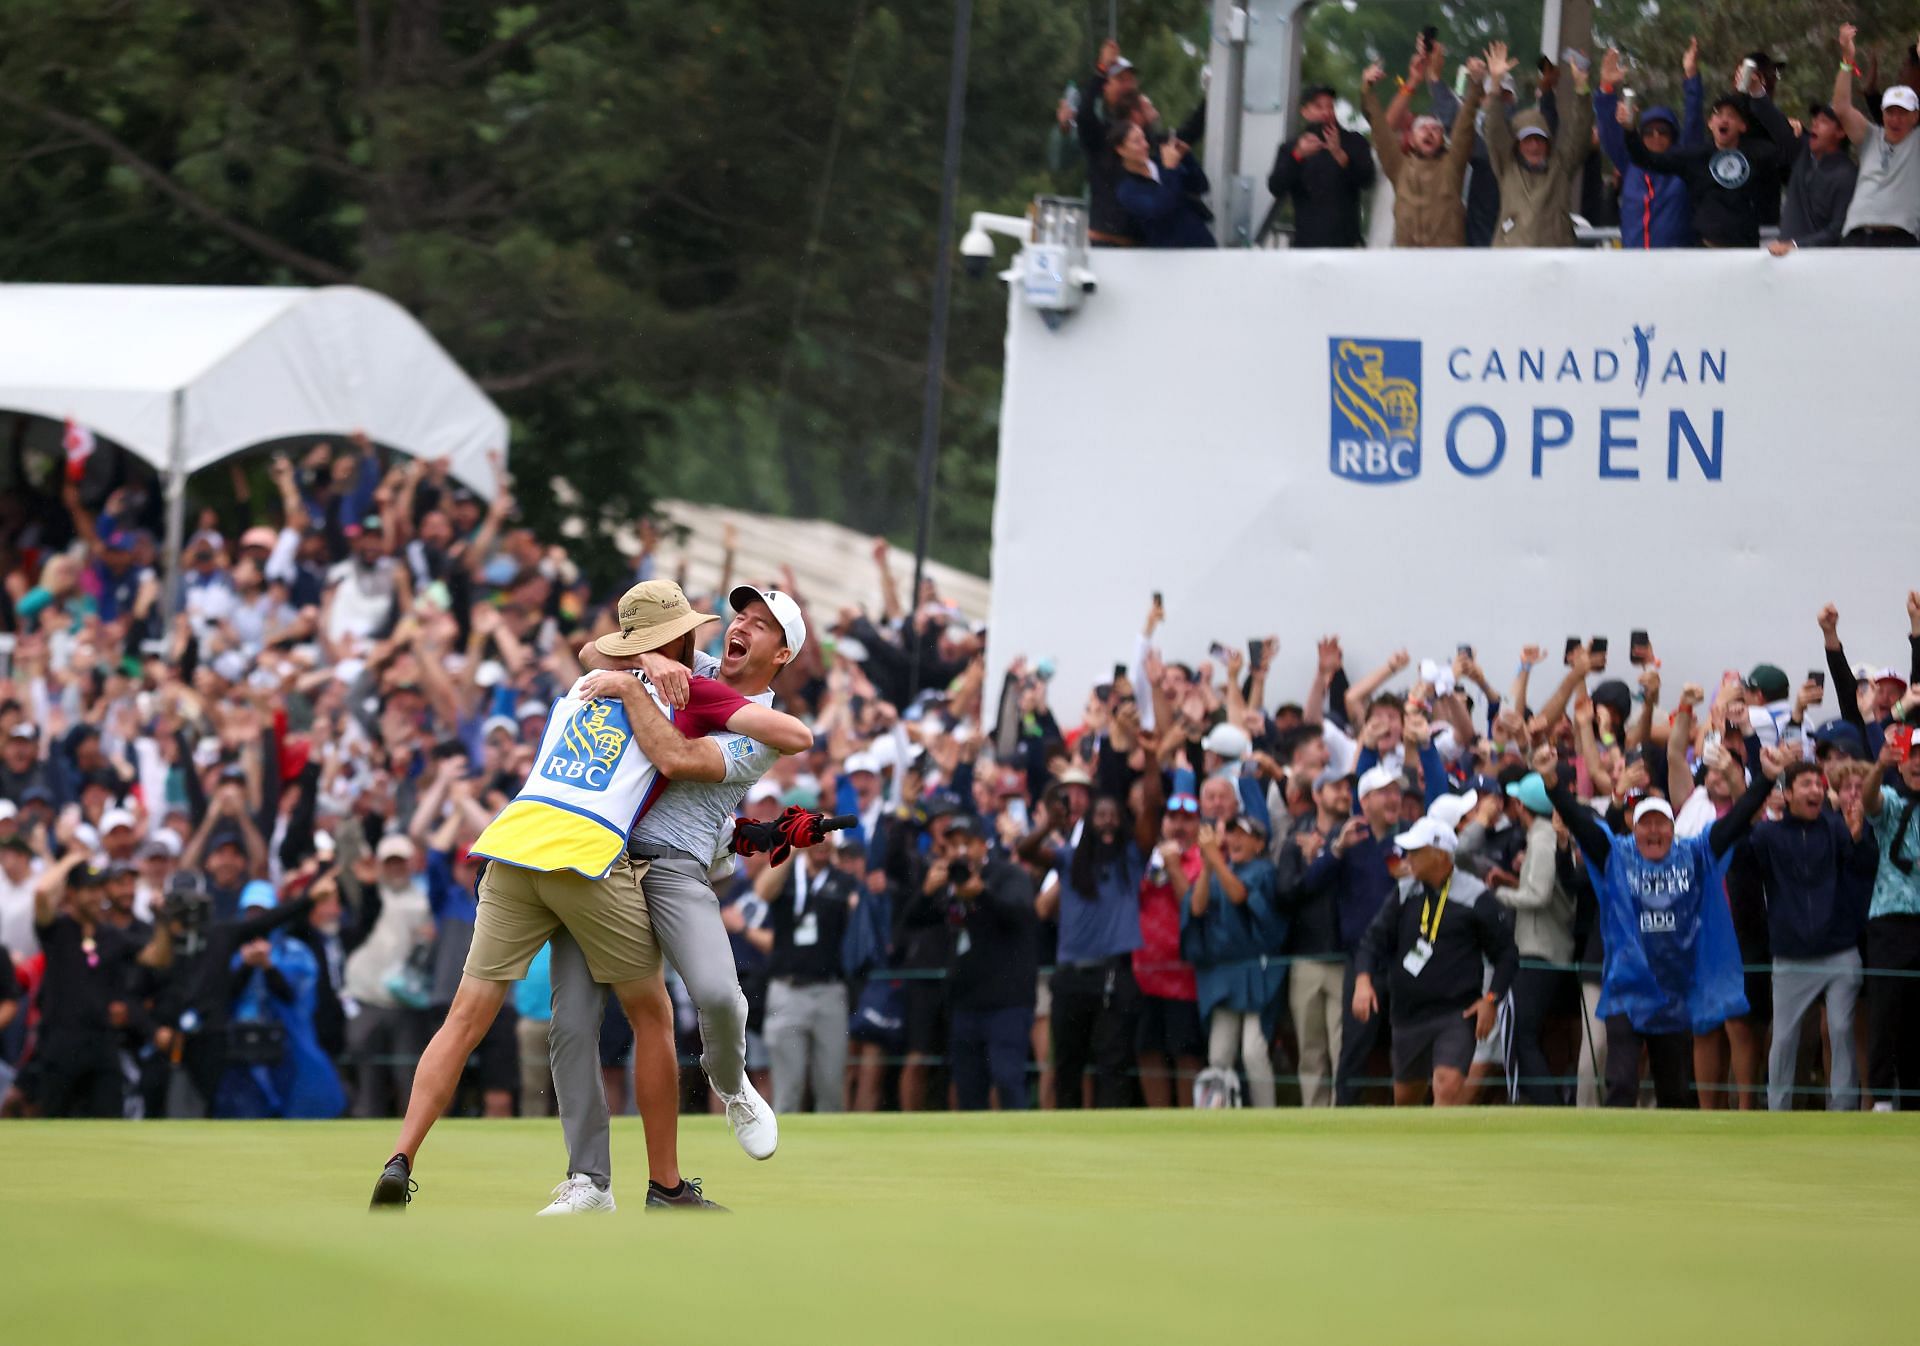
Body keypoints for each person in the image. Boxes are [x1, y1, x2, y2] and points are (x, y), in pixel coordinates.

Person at [370, 581, 792, 1209]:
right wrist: (649, 667)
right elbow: (762, 741)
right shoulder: (687, 686)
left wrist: (636, 661)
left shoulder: (582, 686)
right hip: (588, 855)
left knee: (466, 1018)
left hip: (514, 840)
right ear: (675, 638)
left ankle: (402, 1156)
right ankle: (666, 1187)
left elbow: (594, 655)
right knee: (650, 1014)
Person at [541, 582, 816, 1212]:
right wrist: (656, 660)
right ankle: (589, 1181)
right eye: (740, 614)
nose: (740, 626)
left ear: (781, 654)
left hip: (675, 867)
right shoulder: (691, 666)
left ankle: (732, 1086)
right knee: (573, 1024)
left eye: (761, 624)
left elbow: (678, 759)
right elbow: (590, 653)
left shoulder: (766, 730)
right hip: (603, 858)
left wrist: (640, 679)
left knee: (720, 995)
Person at [1537, 741, 1784, 1108]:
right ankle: (1618, 1161)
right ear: (1633, 830)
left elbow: (1735, 822)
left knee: (1676, 1093)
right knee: (1621, 1083)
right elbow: (1578, 821)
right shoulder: (1616, 856)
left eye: (1661, 824)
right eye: (1645, 824)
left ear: (1673, 828)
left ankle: (1676, 1162)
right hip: (1628, 989)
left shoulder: (1696, 854)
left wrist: (1766, 779)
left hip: (1675, 994)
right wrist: (1551, 782)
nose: (1654, 832)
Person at [1353, 816, 1516, 1106]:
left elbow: (1506, 954)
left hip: (1456, 1012)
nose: (1408, 858)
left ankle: (1446, 1150)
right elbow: (1372, 941)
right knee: (1405, 1098)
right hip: (1407, 1014)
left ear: (1440, 855)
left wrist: (1491, 999)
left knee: (1447, 1087)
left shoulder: (1476, 896)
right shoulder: (1404, 892)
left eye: (1416, 852)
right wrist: (1363, 980)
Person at [1748, 761, 1875, 1110]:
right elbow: (1743, 867)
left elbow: (1862, 873)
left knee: (1840, 1029)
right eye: (1806, 785)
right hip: (1791, 956)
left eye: (1819, 785)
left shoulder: (1836, 828)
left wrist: (1858, 837)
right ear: (1787, 794)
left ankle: (1844, 1112)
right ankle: (1778, 1111)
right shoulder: (1767, 835)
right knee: (1785, 1038)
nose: (1816, 791)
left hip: (1840, 952)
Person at [1299, 763, 1404, 1104]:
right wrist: (1337, 850)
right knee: (1355, 1047)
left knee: (1408, 1043)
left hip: (1405, 956)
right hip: (1362, 959)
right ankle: (1345, 1114)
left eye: (1396, 791)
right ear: (1366, 801)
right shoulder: (1348, 839)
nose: (1394, 798)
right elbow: (1309, 884)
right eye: (1385, 792)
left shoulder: (1407, 840)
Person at [931, 813, 1037, 1110]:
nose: (960, 852)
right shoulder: (948, 884)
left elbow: (1022, 918)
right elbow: (913, 922)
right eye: (952, 846)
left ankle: (1020, 1149)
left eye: (967, 844)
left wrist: (982, 895)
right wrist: (927, 892)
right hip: (965, 1002)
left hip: (1007, 1001)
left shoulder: (1008, 874)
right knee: (968, 1088)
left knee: (1007, 1080)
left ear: (983, 845)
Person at [1180, 815, 1286, 1106]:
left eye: (1245, 835)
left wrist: (1215, 858)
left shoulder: (1263, 870)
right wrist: (1208, 864)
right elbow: (1197, 907)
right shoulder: (1217, 868)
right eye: (1233, 834)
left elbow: (1239, 894)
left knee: (1253, 1051)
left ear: (1259, 843)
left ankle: (1267, 1117)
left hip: (1256, 973)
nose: (1236, 840)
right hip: (1222, 975)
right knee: (1218, 1054)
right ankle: (1220, 1113)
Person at [755, 833, 859, 1115]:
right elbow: (762, 891)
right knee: (788, 1089)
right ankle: (784, 1155)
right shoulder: (788, 876)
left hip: (830, 990)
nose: (822, 841)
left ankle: (833, 1156)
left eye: (828, 836)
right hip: (787, 989)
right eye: (816, 835)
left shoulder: (843, 882)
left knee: (830, 1087)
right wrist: (792, 849)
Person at [1491, 773, 1577, 1104]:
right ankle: (1543, 1103)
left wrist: (1498, 895)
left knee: (1519, 1032)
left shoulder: (1541, 840)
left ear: (1521, 805)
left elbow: (1538, 896)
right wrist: (1512, 885)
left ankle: (1543, 1104)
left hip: (1539, 951)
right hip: (1545, 949)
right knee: (1525, 1032)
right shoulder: (1543, 837)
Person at [1274, 768, 1350, 1106]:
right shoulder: (1295, 840)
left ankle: (1341, 1115)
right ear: (1317, 795)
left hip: (1344, 956)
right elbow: (1286, 895)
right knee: (1310, 1049)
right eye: (1335, 787)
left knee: (1342, 1046)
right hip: (1305, 956)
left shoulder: (1355, 836)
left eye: (1347, 787)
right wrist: (1312, 864)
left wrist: (1329, 856)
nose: (1344, 793)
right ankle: (1315, 1116)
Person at [1362, 51, 1485, 247]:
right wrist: (1367, 89)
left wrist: (1476, 86)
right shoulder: (1399, 167)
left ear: (1443, 140)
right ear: (1410, 138)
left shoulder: (1452, 165)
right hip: (1407, 262)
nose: (1429, 132)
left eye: (1435, 129)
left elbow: (1464, 128)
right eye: (1422, 128)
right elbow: (1380, 128)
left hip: (1447, 262)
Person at [1483, 41, 1594, 248]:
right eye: (1527, 140)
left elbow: (1581, 131)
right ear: (1517, 144)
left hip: (1555, 262)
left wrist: (1582, 88)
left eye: (1539, 139)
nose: (1534, 146)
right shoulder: (1507, 165)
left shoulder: (1561, 165)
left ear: (1548, 143)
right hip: (1509, 260)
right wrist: (1496, 83)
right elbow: (1494, 129)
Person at [1594, 43, 1704, 250]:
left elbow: (1694, 123)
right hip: (1636, 265)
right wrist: (1606, 89)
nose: (1655, 136)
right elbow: (1609, 132)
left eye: (1663, 131)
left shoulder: (1683, 167)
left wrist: (1691, 77)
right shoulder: (1631, 164)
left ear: (1673, 136)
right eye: (1648, 132)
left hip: (1677, 266)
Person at [1861, 732, 1920, 1109]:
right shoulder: (1894, 803)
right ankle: (1882, 1099)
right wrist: (1879, 765)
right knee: (1884, 1012)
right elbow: (1869, 801)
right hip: (1890, 922)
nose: (1918, 763)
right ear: (1902, 762)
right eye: (1913, 756)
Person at [1134, 793, 1204, 1108]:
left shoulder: (1203, 859)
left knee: (1186, 1052)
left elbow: (1192, 907)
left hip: (1185, 975)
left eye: (1187, 819)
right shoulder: (1148, 858)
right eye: (1172, 818)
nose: (1179, 826)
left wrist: (1175, 865)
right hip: (1145, 972)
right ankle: (1157, 1120)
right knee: (1148, 1049)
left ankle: (1188, 1122)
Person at [1835, 24, 1920, 246]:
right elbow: (1841, 108)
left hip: (1900, 238)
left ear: (1915, 117)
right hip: (1856, 236)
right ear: (1882, 114)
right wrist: (1847, 60)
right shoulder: (1870, 136)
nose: (1896, 119)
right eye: (1890, 112)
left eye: (1903, 113)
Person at [1266, 82, 1376, 248]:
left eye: (1330, 107)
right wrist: (1298, 156)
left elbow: (1367, 179)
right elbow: (1276, 186)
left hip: (1347, 245)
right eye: (1318, 107)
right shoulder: (1292, 147)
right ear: (1305, 112)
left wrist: (1339, 154)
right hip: (1306, 245)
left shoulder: (1353, 141)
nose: (1326, 112)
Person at [1769, 104, 1860, 253]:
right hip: (1783, 262)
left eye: (1823, 121)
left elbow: (1838, 230)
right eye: (1815, 119)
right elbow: (1772, 120)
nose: (1815, 124)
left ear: (1841, 132)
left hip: (1820, 266)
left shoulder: (1847, 175)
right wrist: (1757, 91)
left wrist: (1795, 245)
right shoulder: (1802, 154)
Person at [1111, 121, 1214, 248]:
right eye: (1137, 142)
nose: (1145, 145)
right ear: (1121, 150)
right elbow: (1160, 208)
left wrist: (1186, 157)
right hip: (1170, 255)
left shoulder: (1160, 163)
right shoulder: (1127, 190)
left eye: (1144, 139)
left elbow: (1201, 186)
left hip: (1202, 243)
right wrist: (1170, 169)